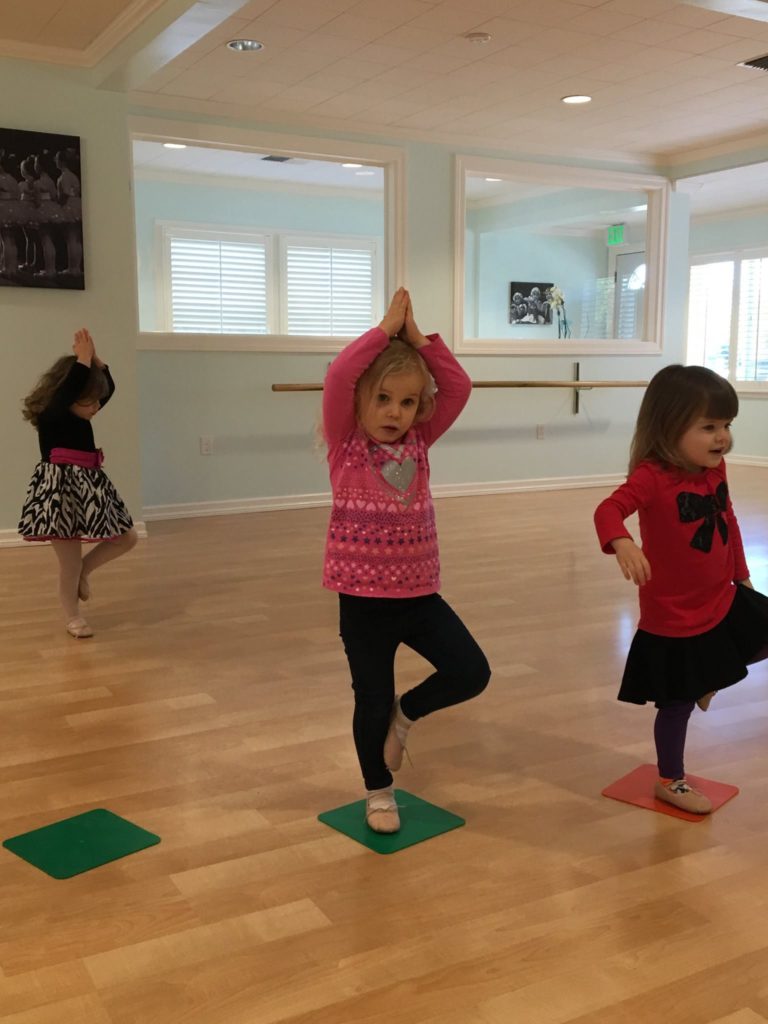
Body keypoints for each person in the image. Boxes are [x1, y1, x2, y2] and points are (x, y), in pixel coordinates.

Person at [322, 287, 490, 833]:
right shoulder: (345, 440)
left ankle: (408, 713)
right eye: (384, 399)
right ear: (361, 402)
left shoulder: (420, 440)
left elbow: (459, 386)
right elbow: (340, 375)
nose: (396, 412)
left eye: (408, 402)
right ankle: (378, 790)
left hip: (419, 595)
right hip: (363, 603)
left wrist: (420, 339)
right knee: (369, 698)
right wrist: (384, 328)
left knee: (471, 671)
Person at [594, 364, 768, 814]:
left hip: (722, 593)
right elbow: (608, 509)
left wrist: (742, 575)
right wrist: (623, 542)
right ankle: (670, 778)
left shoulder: (716, 468)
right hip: (674, 614)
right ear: (670, 428)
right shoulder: (652, 477)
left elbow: (726, 520)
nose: (721, 437)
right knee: (676, 706)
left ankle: (710, 677)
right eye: (708, 427)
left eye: (726, 426)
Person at [18, 328, 137, 638]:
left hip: (92, 487)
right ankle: (73, 616)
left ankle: (85, 569)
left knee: (127, 537)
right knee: (68, 563)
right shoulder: (52, 415)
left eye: (97, 402)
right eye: (90, 401)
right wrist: (81, 363)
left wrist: (97, 362)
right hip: (60, 494)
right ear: (69, 394)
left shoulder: (81, 412)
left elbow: (108, 389)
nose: (97, 407)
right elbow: (64, 396)